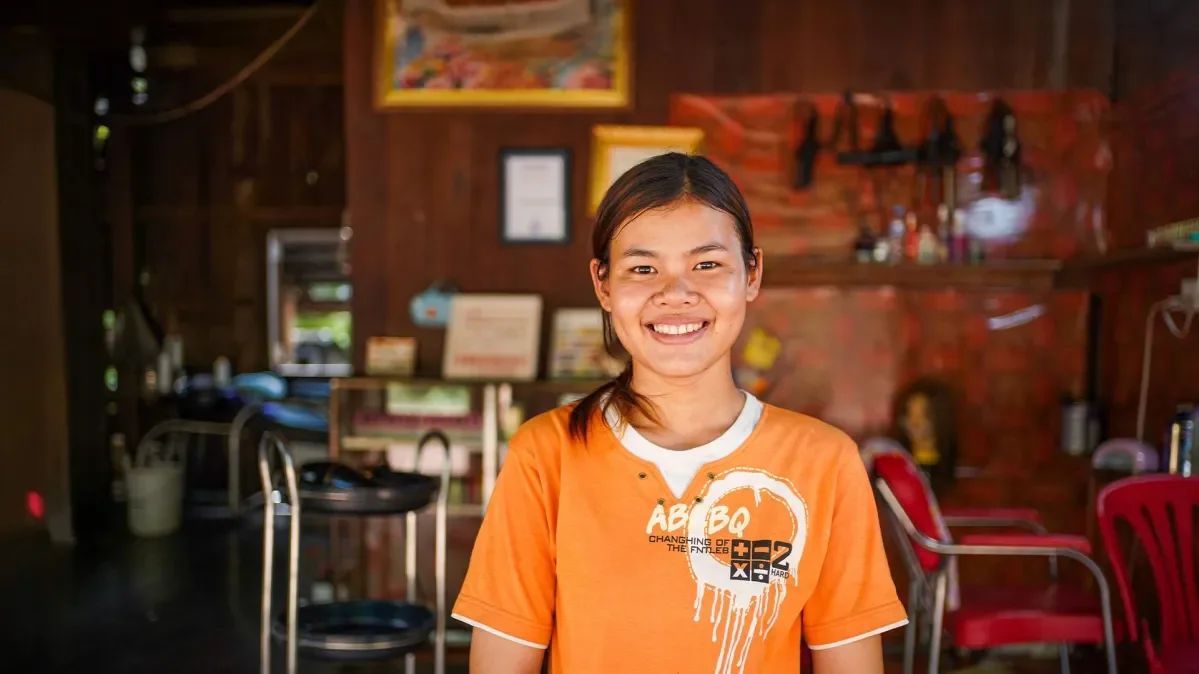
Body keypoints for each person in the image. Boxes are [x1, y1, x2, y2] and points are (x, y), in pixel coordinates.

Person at [452, 153, 907, 673]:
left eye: (707, 264)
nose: (676, 294)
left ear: (752, 273)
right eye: (642, 269)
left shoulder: (823, 460)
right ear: (603, 285)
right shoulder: (547, 453)